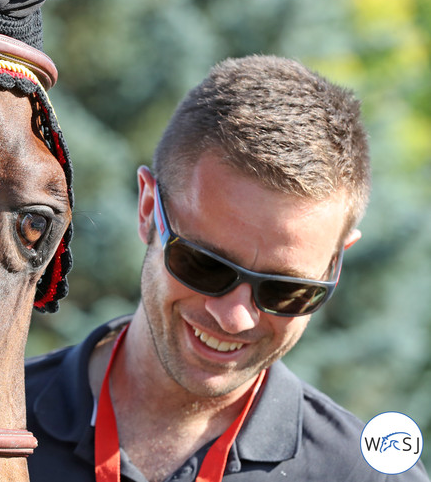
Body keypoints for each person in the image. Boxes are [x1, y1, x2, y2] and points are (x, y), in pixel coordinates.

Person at [25, 55, 429, 482]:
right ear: (147, 208)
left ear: (336, 261)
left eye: (285, 289)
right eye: (205, 265)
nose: (234, 318)